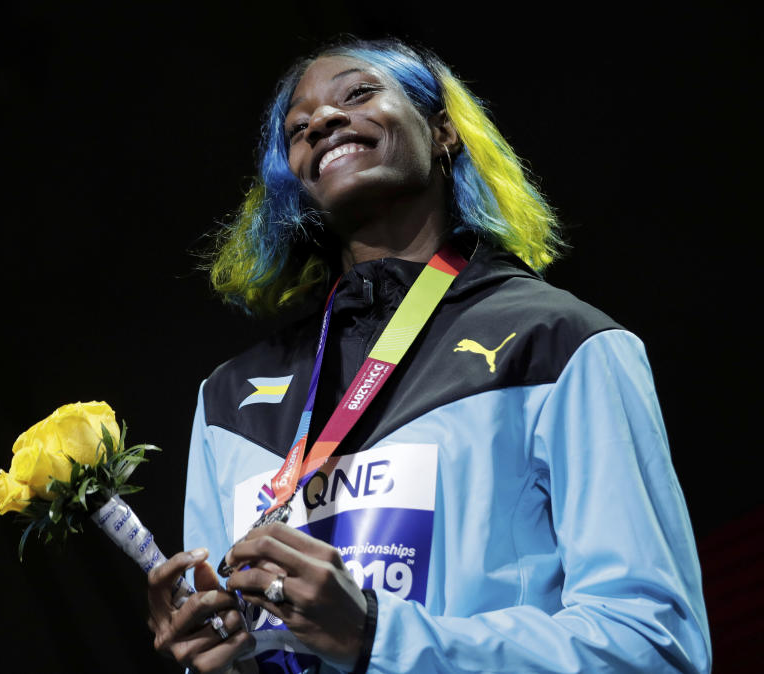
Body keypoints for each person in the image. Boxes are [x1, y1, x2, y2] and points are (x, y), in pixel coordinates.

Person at [146, 38, 712, 673]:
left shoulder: (559, 342)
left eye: (358, 95)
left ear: (443, 131)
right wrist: (212, 652)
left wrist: (375, 637)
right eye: (298, 128)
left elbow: (655, 643)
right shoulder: (229, 398)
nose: (324, 122)